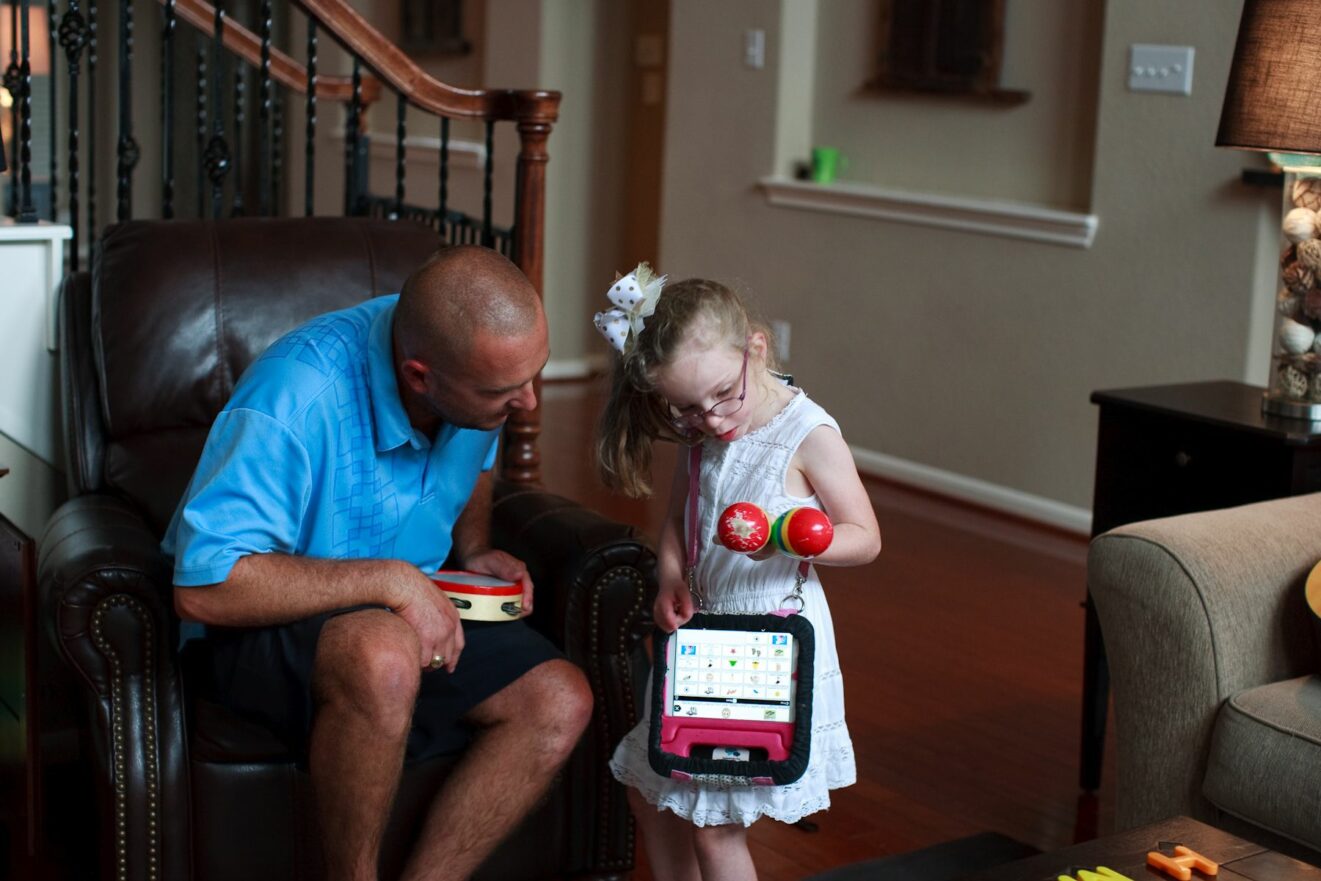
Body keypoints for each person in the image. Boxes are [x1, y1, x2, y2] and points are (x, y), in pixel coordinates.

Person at [162, 245, 594, 881]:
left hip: (403, 602)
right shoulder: (294, 396)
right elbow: (204, 586)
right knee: (384, 655)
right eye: (504, 390)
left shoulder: (472, 371)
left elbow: (474, 461)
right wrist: (393, 582)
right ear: (420, 377)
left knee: (560, 699)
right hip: (260, 625)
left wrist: (473, 547)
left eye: (534, 375)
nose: (528, 403)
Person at [594, 266, 882, 881]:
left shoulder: (808, 434)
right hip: (701, 638)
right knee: (651, 794)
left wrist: (787, 538)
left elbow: (866, 538)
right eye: (687, 409)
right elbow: (678, 517)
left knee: (714, 825)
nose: (713, 419)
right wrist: (671, 575)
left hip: (769, 646)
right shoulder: (703, 433)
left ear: (755, 347)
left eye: (724, 394)